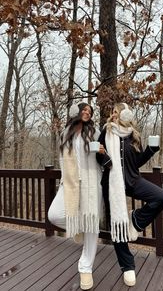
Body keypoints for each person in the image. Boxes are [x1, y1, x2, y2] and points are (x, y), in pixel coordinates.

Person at [96, 102, 163, 287]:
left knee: (161, 197)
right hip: (112, 183)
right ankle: (127, 266)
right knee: (116, 224)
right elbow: (98, 155)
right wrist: (105, 160)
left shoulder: (133, 136)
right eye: (112, 112)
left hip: (133, 180)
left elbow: (136, 162)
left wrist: (150, 151)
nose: (113, 115)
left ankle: (135, 219)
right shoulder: (106, 132)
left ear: (125, 115)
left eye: (117, 112)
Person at [48, 102, 104, 290]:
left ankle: (85, 266)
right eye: (84, 110)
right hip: (70, 182)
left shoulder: (94, 133)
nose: (87, 113)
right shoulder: (66, 135)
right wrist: (65, 180)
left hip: (91, 181)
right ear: (76, 113)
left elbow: (104, 156)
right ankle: (79, 226)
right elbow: (63, 161)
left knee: (92, 223)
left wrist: (103, 152)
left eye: (90, 111)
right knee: (54, 215)